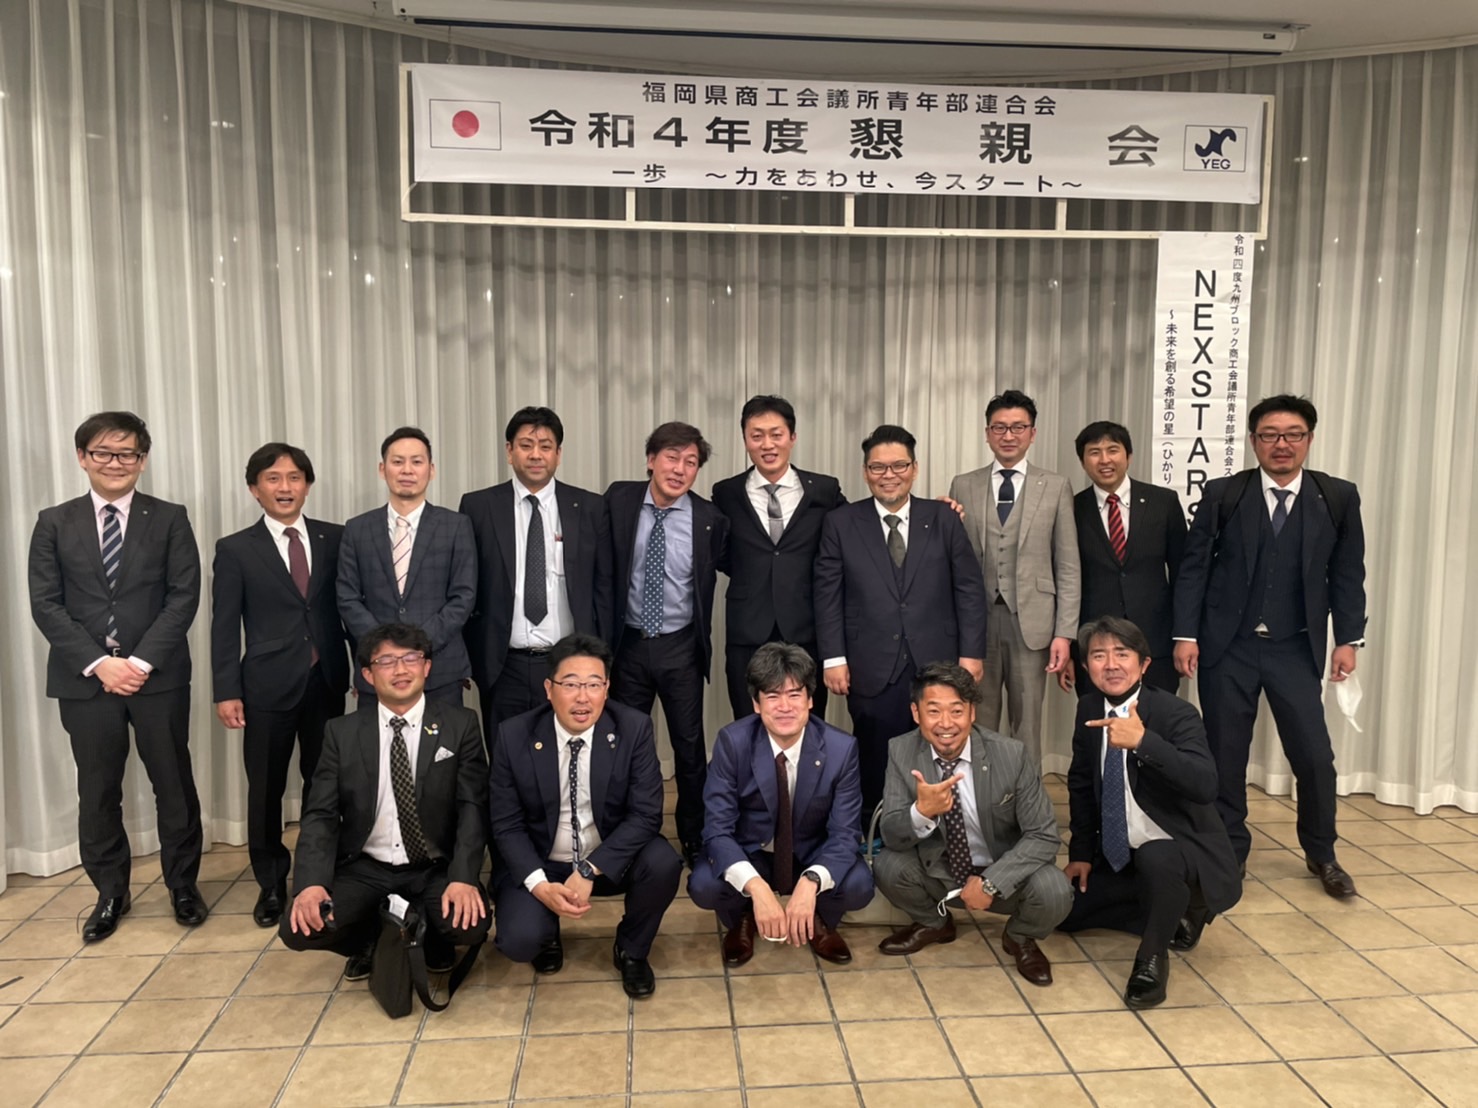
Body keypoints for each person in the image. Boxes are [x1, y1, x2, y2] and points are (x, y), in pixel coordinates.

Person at [1173, 395, 1366, 898]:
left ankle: (1322, 852)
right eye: (1270, 435)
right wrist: (1185, 634)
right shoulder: (1224, 494)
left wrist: (1349, 639)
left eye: (1293, 434)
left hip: (1294, 648)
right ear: (1254, 441)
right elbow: (1194, 568)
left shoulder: (1337, 496)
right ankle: (1229, 851)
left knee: (1315, 757)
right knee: (1225, 756)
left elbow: (1348, 573)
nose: (1282, 444)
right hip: (1227, 648)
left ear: (1309, 439)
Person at [28, 411, 206, 942]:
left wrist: (140, 662)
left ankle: (182, 886)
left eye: (127, 453)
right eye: (103, 452)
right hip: (85, 681)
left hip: (158, 678)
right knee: (98, 789)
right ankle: (110, 892)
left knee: (173, 784)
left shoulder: (170, 517)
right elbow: (46, 603)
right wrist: (99, 663)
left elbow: (183, 595)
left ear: (142, 461)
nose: (115, 462)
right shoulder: (54, 521)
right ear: (82, 458)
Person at [281, 623, 489, 980]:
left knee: (469, 925)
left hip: (432, 866)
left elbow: (473, 808)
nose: (400, 670)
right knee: (299, 928)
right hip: (365, 866)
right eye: (387, 661)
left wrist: (463, 878)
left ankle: (429, 937)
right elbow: (320, 815)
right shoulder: (341, 732)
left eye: (411, 658)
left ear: (427, 667)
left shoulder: (461, 725)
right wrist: (310, 883)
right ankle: (374, 942)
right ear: (367, 674)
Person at [1059, 617, 1242, 1008]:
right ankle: (1177, 912)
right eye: (1099, 655)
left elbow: (1205, 784)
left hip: (1178, 846)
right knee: (1065, 914)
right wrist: (1080, 854)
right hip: (1123, 851)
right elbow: (1081, 785)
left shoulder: (1177, 713)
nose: (1111, 664)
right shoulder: (1089, 708)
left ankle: (1152, 957)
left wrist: (1144, 742)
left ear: (1143, 664)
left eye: (1122, 654)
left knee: (1158, 858)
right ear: (1087, 666)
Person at [489, 633, 681, 998]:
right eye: (571, 684)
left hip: (606, 862)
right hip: (544, 864)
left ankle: (631, 949)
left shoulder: (633, 728)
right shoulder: (513, 736)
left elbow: (645, 815)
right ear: (549, 689)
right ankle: (546, 931)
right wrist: (539, 885)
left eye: (594, 684)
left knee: (663, 863)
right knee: (518, 941)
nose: (583, 697)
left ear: (607, 689)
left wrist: (591, 869)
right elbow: (506, 824)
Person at [814, 424, 988, 820]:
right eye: (878, 467)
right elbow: (827, 595)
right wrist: (833, 658)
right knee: (874, 748)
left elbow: (969, 589)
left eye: (899, 466)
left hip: (938, 658)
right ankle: (875, 829)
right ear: (865, 472)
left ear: (915, 468)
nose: (888, 475)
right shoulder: (841, 522)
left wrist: (971, 654)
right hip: (869, 660)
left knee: (941, 743)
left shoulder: (943, 518)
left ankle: (942, 825)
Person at [211, 443, 350, 927]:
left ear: (307, 485)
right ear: (255, 489)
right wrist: (226, 690)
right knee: (266, 788)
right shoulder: (235, 549)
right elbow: (224, 626)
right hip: (265, 687)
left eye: (294, 477)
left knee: (325, 784)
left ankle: (319, 873)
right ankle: (271, 883)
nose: (285, 487)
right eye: (273, 478)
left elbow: (348, 606)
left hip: (327, 679)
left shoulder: (336, 537)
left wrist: (367, 667)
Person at [873, 663, 1072, 986]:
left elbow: (1044, 836)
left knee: (1055, 891)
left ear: (972, 712)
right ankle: (935, 923)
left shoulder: (1011, 755)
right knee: (888, 865)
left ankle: (1020, 937)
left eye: (956, 711)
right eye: (933, 711)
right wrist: (922, 813)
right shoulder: (901, 750)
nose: (946, 723)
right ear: (916, 713)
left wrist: (991, 883)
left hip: (1003, 871)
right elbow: (892, 834)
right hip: (941, 870)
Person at [688, 643, 875, 966]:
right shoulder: (733, 742)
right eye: (773, 696)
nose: (785, 707)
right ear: (756, 704)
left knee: (859, 884)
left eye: (794, 695)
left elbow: (846, 834)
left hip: (809, 852)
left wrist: (811, 882)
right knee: (704, 883)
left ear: (810, 699)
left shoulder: (841, 749)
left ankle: (816, 918)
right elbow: (717, 829)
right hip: (753, 852)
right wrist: (757, 889)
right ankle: (743, 918)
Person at [606, 421, 730, 867]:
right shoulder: (618, 501)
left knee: (689, 747)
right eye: (672, 457)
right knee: (624, 746)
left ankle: (694, 837)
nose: (680, 469)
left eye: (691, 462)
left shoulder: (710, 519)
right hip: (628, 645)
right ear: (651, 460)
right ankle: (627, 835)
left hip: (680, 646)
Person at [459, 407, 611, 744]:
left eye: (545, 446)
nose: (536, 455)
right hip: (503, 664)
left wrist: (601, 658)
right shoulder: (479, 506)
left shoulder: (589, 507)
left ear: (558, 453)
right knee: (505, 756)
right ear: (509, 451)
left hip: (570, 665)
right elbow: (467, 587)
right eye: (526, 445)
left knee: (568, 753)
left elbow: (603, 589)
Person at [948, 390, 1080, 764]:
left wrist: (1064, 633)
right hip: (978, 623)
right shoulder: (964, 484)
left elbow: (1068, 565)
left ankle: (1026, 798)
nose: (1009, 436)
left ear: (1032, 433)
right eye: (1000, 427)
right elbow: (954, 558)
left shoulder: (1055, 486)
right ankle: (982, 793)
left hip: (1033, 624)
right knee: (978, 717)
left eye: (1018, 427)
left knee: (1028, 724)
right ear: (987, 433)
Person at [712, 395, 846, 720]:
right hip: (747, 630)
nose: (767, 444)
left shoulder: (824, 491)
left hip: (807, 628)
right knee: (748, 721)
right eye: (756, 435)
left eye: (776, 434)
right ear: (745, 439)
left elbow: (856, 533)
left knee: (805, 722)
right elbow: (719, 552)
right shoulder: (726, 493)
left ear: (792, 437)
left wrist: (934, 509)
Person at [338, 427, 477, 710]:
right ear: (382, 469)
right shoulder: (357, 528)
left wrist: (417, 646)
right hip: (377, 671)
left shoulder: (456, 526)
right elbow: (347, 597)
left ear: (431, 470)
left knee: (443, 740)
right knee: (374, 740)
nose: (407, 470)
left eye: (417, 461)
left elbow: (463, 596)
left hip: (440, 670)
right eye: (397, 461)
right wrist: (384, 649)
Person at [1065, 421, 1186, 697]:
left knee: (1157, 719)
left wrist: (1184, 636)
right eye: (1094, 452)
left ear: (1128, 456)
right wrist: (1070, 650)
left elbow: (1183, 574)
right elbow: (1065, 579)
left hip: (1156, 643)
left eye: (1112, 450)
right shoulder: (1072, 508)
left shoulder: (1163, 502)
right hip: (1095, 647)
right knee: (1099, 719)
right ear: (1082, 462)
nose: (1104, 460)